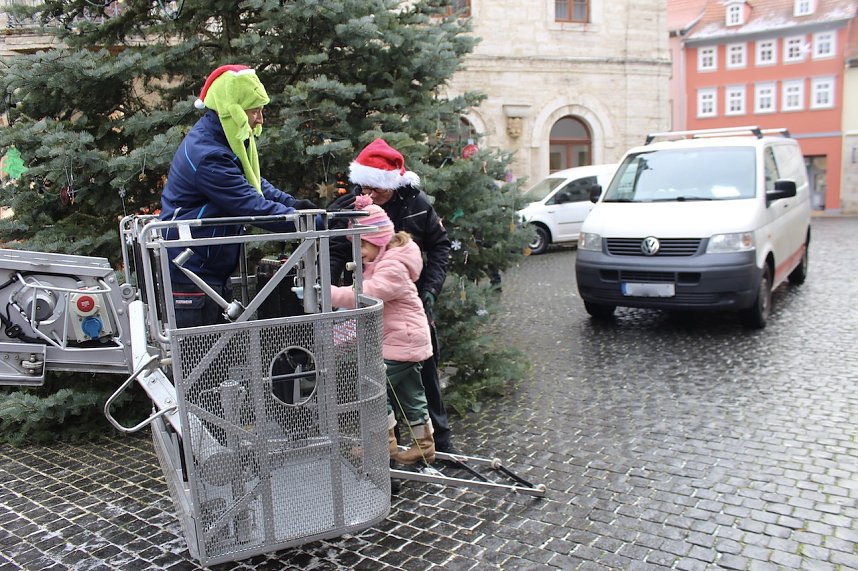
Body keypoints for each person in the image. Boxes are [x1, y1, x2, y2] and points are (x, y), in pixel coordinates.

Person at [160, 64, 319, 328]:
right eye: (254, 110)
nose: (260, 119)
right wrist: (306, 223)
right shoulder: (209, 154)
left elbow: (253, 182)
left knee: (219, 357)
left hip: (205, 267)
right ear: (231, 109)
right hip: (192, 270)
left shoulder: (222, 139)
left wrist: (294, 205)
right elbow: (248, 204)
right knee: (202, 361)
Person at [330, 138, 455, 453]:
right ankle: (387, 451)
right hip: (371, 304)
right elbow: (335, 250)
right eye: (365, 189)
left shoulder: (417, 203)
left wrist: (430, 289)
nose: (371, 196)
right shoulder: (354, 206)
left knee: (422, 369)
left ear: (393, 184)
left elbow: (441, 245)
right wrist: (329, 291)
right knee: (379, 379)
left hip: (410, 300)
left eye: (378, 190)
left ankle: (439, 441)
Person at [330, 195, 435, 464]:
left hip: (401, 341)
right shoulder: (385, 261)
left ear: (378, 240)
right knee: (412, 395)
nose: (360, 251)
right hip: (407, 340)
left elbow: (370, 295)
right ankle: (424, 444)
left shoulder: (392, 265)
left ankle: (381, 444)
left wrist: (330, 294)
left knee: (371, 386)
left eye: (363, 244)